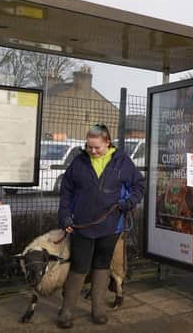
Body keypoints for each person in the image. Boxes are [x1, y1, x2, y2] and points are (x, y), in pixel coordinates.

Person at [57, 124, 144, 329]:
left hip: (111, 225)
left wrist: (129, 202)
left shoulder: (123, 162)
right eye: (89, 147)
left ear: (107, 142)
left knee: (102, 265)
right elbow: (66, 192)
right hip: (82, 226)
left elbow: (139, 186)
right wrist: (65, 218)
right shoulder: (78, 162)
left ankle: (98, 309)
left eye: (97, 147)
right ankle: (66, 310)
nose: (93, 151)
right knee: (79, 266)